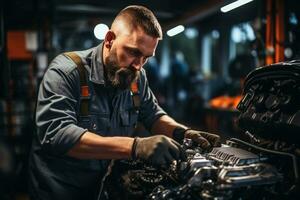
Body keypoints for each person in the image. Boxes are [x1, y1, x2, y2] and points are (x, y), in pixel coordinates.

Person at [28, 5, 220, 200]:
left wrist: (182, 132)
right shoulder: (66, 72)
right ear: (110, 40)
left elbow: (153, 115)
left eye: (146, 57)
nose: (138, 65)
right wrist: (135, 147)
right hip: (60, 190)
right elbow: (57, 134)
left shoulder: (137, 77)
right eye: (133, 52)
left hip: (104, 186)